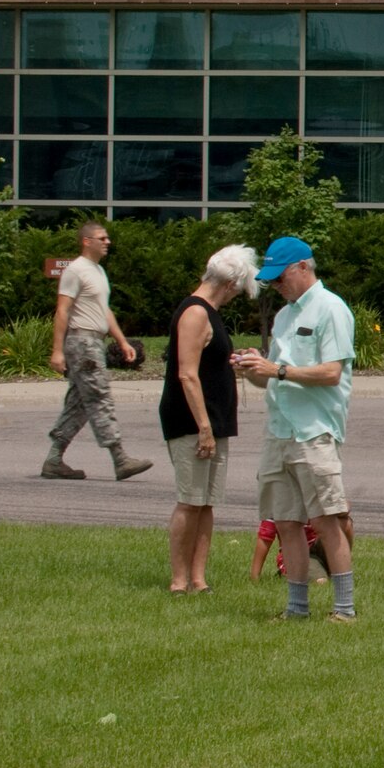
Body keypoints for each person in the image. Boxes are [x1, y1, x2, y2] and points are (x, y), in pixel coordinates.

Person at [234, 236, 358, 622]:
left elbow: (331, 373)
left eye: (280, 277)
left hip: (315, 431)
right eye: (270, 280)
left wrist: (278, 370)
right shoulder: (284, 316)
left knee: (325, 519)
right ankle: (296, 608)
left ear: (304, 267)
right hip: (280, 431)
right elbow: (274, 378)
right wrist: (254, 368)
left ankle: (344, 608)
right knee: (286, 520)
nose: (276, 285)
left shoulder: (331, 308)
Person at [156, 243, 258, 593]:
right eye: (239, 290)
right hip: (192, 422)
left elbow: (209, 361)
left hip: (216, 420)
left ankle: (198, 577)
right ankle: (179, 579)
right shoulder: (195, 312)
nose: (236, 297)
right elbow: (186, 374)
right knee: (190, 499)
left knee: (207, 501)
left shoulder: (210, 312)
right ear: (230, 284)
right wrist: (203, 428)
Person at [42, 221, 152, 481]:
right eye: (101, 238)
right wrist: (57, 351)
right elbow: (63, 310)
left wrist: (122, 341)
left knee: (79, 403)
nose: (107, 242)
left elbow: (104, 310)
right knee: (99, 397)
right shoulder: (75, 271)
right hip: (82, 342)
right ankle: (120, 458)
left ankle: (54, 460)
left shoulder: (98, 271)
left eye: (107, 238)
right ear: (86, 241)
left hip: (94, 341)